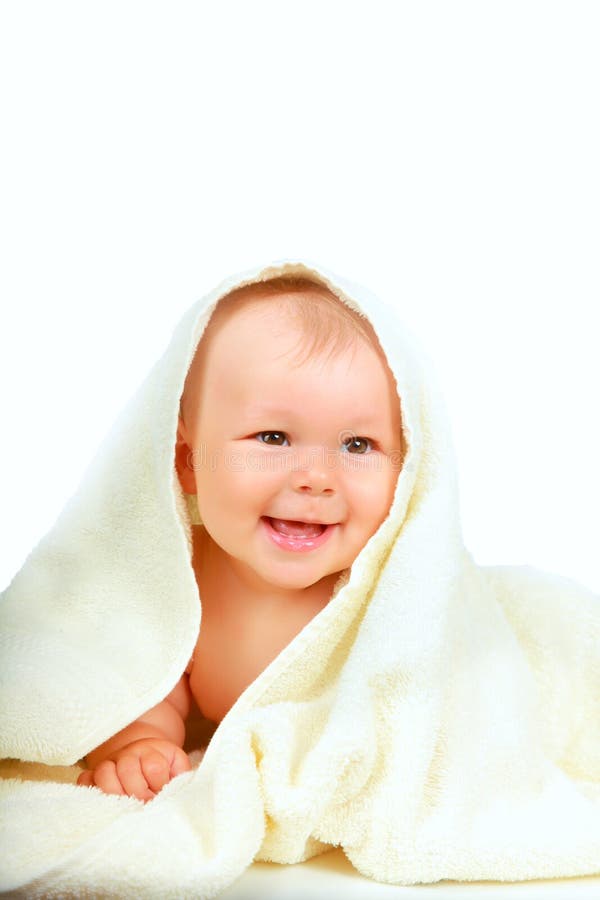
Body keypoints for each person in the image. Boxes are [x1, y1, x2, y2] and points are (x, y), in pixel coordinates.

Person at [77, 275, 405, 801]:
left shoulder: (392, 588)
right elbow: (142, 677)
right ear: (188, 461)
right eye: (273, 437)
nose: (316, 477)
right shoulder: (179, 580)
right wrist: (141, 742)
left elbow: (430, 695)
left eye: (358, 444)